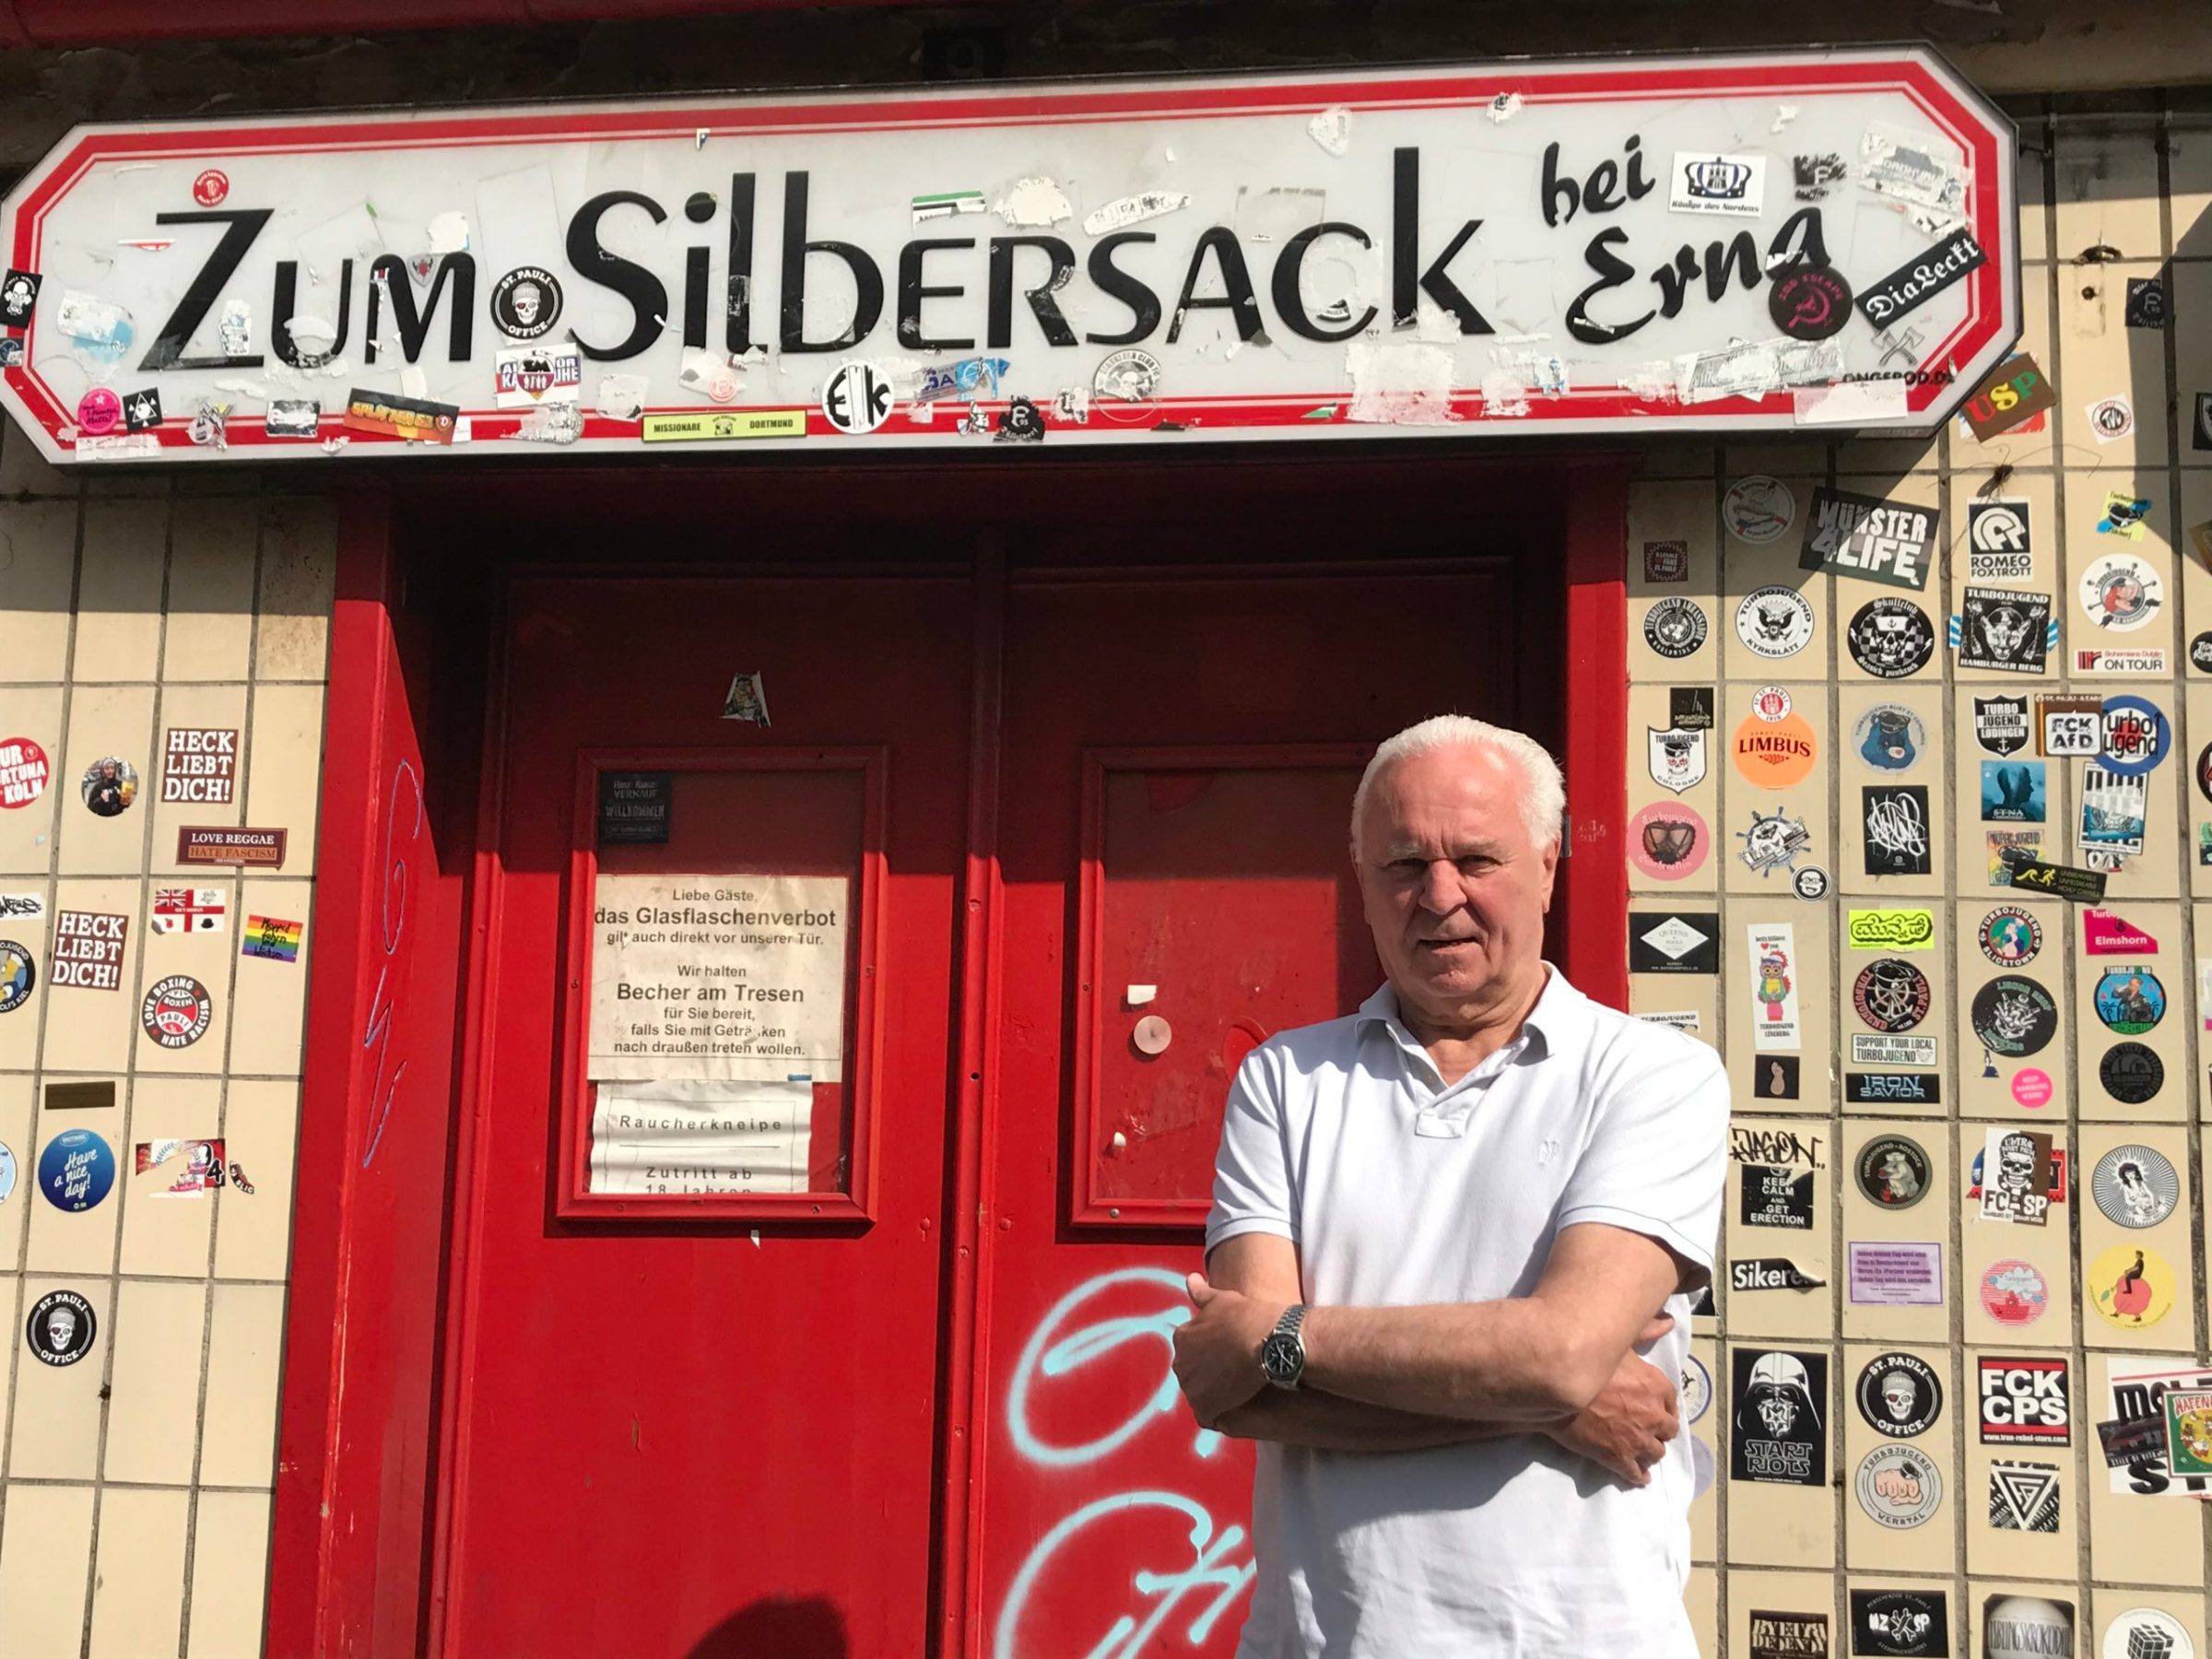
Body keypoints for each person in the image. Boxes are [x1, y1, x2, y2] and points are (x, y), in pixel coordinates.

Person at [1173, 714, 1729, 1657]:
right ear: (1361, 884)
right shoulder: (1284, 1080)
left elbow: (1557, 1350)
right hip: (1321, 1639)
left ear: (1547, 864)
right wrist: (1556, 1404)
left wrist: (1286, 1340)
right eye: (1403, 866)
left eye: (1477, 859)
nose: (1440, 897)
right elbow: (1233, 1390)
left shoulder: (1656, 1075)